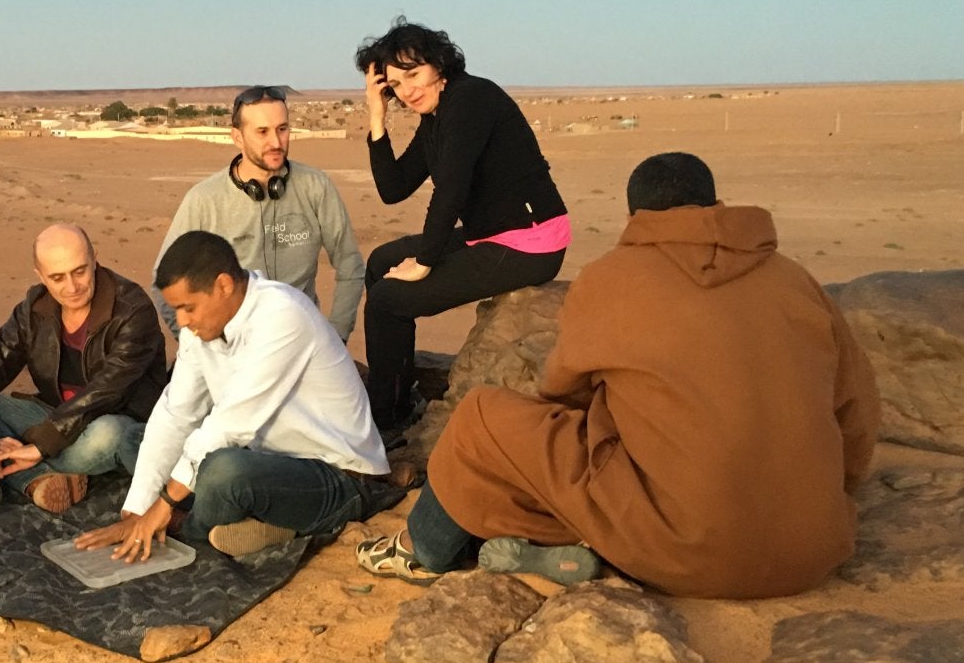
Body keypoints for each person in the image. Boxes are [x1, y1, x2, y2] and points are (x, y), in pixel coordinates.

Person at [357, 153, 880, 599]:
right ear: (716, 205)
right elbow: (856, 414)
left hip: (688, 553)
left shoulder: (612, 278)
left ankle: (420, 551)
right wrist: (825, 495)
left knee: (482, 420)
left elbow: (565, 396)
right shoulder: (797, 280)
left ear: (635, 215)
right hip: (813, 549)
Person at [80, 230, 394, 564]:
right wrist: (135, 512)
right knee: (136, 440)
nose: (182, 322)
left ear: (224, 285)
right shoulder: (199, 330)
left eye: (188, 308)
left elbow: (230, 424)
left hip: (335, 474)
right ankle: (255, 522)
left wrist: (162, 507)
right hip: (263, 460)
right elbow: (177, 413)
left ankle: (187, 525)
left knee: (222, 470)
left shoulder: (282, 315)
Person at [356, 22, 570, 435]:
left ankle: (389, 418)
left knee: (388, 299)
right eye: (395, 84)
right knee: (381, 262)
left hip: (533, 240)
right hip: (490, 233)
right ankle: (400, 393)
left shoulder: (470, 99)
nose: (407, 91)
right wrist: (376, 115)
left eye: (413, 75)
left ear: (438, 63)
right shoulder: (435, 116)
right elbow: (393, 188)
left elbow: (451, 189)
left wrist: (424, 261)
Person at [0, 223, 166, 514]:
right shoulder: (34, 308)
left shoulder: (132, 309)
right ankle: (34, 477)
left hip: (111, 419)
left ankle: (2, 467)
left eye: (80, 271)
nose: (71, 287)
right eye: (57, 277)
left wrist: (39, 445)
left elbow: (108, 390)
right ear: (41, 276)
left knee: (107, 434)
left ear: (95, 258)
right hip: (53, 417)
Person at [151, 85, 364, 340]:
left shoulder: (316, 186)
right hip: (235, 343)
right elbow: (162, 280)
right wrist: (200, 346)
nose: (275, 142)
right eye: (262, 132)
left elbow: (350, 264)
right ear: (237, 137)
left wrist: (336, 335)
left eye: (282, 129)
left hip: (302, 339)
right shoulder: (204, 199)